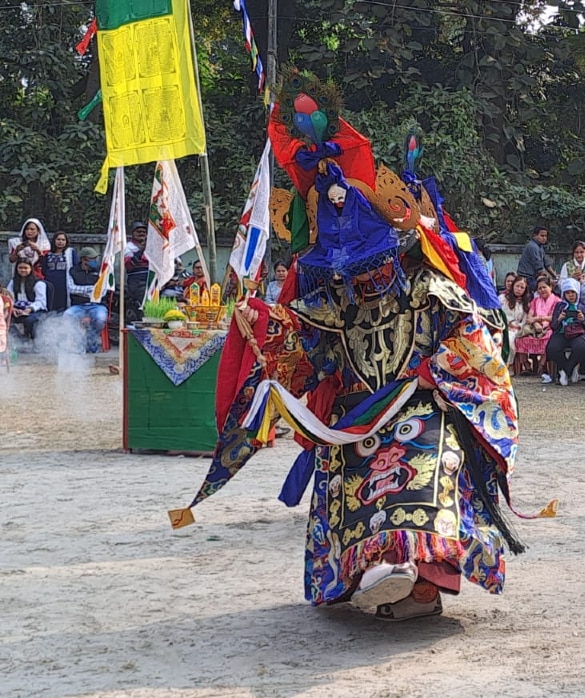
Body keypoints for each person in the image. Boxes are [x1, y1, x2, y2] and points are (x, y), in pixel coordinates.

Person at [181, 84, 548, 621]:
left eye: (371, 264)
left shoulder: (432, 293)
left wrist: (434, 375)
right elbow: (308, 357)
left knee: (424, 454)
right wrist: (260, 321)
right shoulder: (335, 308)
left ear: (394, 251)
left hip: (424, 402)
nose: (361, 278)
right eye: (347, 272)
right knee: (345, 462)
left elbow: (477, 343)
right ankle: (372, 576)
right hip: (354, 415)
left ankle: (418, 579)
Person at [545, 278, 585, 386]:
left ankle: (565, 371)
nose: (571, 295)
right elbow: (553, 326)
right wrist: (559, 319)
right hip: (562, 332)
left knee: (581, 346)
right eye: (567, 293)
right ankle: (570, 368)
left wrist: (583, 320)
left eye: (573, 292)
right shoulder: (560, 305)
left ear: (577, 292)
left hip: (580, 333)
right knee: (551, 348)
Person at [66, 246, 108, 352]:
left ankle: (90, 342)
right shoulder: (72, 271)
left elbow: (102, 292)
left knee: (100, 319)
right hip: (78, 306)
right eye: (92, 258)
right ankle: (79, 343)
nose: (95, 261)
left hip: (97, 305)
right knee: (67, 316)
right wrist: (91, 289)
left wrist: (83, 291)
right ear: (84, 260)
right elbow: (71, 289)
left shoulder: (100, 271)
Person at [37, 231, 88, 314]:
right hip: (51, 283)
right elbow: (44, 270)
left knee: (63, 304)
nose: (60, 242)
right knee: (51, 303)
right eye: (58, 239)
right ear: (54, 241)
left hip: (65, 282)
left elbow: (76, 267)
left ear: (66, 242)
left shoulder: (70, 253)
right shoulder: (48, 255)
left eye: (63, 240)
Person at [526, 277, 559, 383]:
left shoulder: (557, 301)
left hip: (550, 327)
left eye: (544, 287)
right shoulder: (535, 301)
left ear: (550, 287)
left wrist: (539, 319)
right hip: (535, 327)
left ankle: (542, 365)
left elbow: (554, 317)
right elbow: (529, 317)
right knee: (520, 337)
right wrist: (535, 323)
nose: (542, 290)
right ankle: (527, 367)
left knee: (548, 337)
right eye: (539, 288)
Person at [7, 259, 47, 345]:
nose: (23, 270)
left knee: (29, 320)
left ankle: (30, 340)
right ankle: (18, 340)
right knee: (5, 318)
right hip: (17, 309)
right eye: (20, 268)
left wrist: (29, 309)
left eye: (25, 268)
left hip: (36, 310)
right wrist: (12, 308)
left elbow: (41, 302)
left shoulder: (38, 283)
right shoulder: (13, 282)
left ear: (30, 269)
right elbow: (8, 298)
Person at [502, 276, 531, 369]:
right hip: (503, 326)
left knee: (512, 337)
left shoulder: (525, 302)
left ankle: (509, 365)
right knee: (506, 338)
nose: (519, 289)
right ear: (513, 286)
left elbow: (525, 318)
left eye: (522, 288)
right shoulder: (503, 298)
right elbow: (500, 314)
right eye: (517, 286)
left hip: (518, 329)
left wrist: (519, 326)